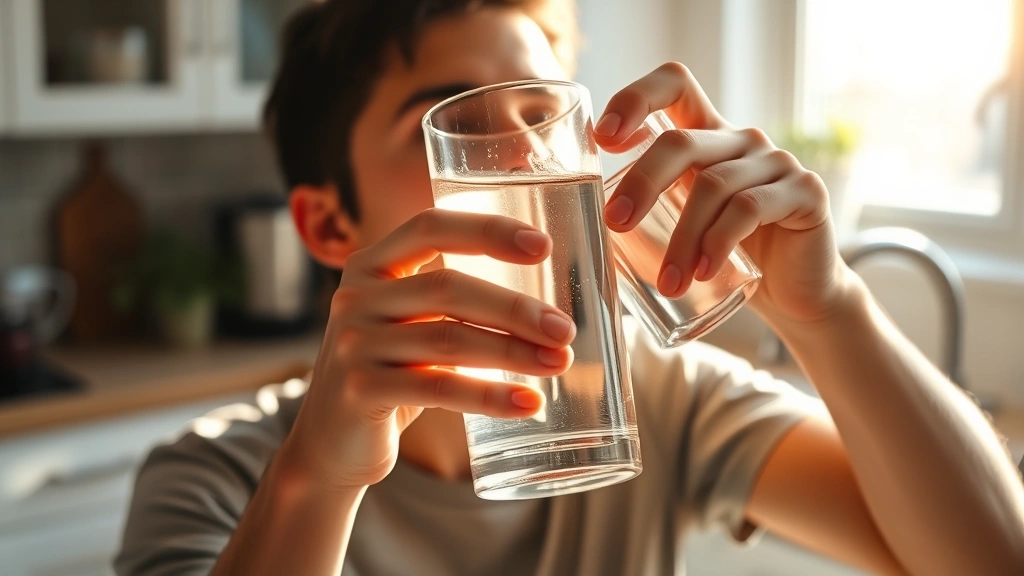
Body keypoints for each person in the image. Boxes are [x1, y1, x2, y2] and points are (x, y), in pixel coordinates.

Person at [114, 1, 1024, 574]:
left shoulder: (660, 400)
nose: (525, 159)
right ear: (325, 224)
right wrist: (317, 482)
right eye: (455, 128)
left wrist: (832, 313)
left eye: (541, 113)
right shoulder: (216, 479)